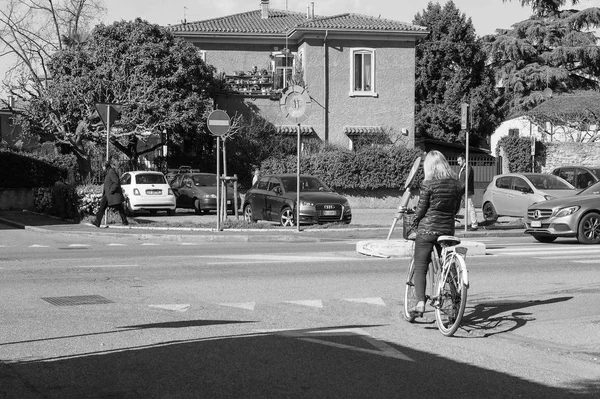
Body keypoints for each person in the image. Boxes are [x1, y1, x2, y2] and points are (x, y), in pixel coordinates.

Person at [409, 150, 463, 317]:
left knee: (421, 266)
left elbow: (421, 210)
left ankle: (420, 303)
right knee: (448, 267)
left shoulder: (428, 184)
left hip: (427, 230)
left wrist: (414, 222)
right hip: (446, 230)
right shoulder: (456, 184)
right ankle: (455, 304)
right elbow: (455, 210)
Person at [92, 159, 128, 227]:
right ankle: (97, 222)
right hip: (108, 194)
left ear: (105, 166)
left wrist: (111, 190)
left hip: (110, 194)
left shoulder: (111, 172)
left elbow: (116, 182)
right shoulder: (109, 172)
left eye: (103, 167)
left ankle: (125, 221)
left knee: (118, 207)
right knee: (103, 208)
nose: (102, 168)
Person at [457, 153, 478, 231]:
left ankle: (474, 224)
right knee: (457, 206)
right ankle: (454, 222)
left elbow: (466, 181)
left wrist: (460, 188)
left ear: (464, 160)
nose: (458, 163)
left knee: (470, 207)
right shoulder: (462, 168)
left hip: (466, 191)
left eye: (459, 161)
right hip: (462, 191)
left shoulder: (468, 169)